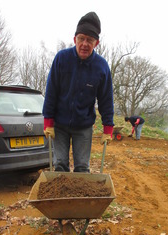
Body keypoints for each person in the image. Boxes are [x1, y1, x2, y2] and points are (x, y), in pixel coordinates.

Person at [43, 12, 114, 172]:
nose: (84, 44)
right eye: (81, 38)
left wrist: (108, 126)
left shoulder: (101, 67)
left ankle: (79, 198)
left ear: (96, 43)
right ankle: (62, 197)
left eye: (90, 40)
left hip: (83, 126)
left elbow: (106, 99)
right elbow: (51, 90)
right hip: (60, 124)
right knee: (60, 164)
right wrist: (48, 120)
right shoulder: (62, 59)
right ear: (75, 39)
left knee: (82, 166)